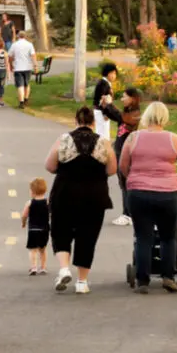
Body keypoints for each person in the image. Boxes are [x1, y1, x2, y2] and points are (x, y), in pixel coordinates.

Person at [119, 102, 177, 294]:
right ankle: (168, 276)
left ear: (146, 116)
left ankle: (142, 279)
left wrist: (134, 180)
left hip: (139, 193)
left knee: (143, 236)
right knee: (169, 237)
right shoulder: (174, 139)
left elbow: (122, 165)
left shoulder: (133, 138)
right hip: (168, 194)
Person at [44, 107, 117, 295]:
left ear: (76, 121)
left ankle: (64, 269)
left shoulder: (64, 139)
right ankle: (82, 282)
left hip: (65, 193)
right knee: (88, 236)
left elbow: (50, 166)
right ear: (94, 123)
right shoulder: (104, 143)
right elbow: (112, 170)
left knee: (61, 231)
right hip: (94, 195)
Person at [107, 88, 142, 226]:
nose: (122, 99)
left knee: (127, 183)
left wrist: (110, 104)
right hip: (119, 150)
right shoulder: (128, 112)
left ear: (132, 99)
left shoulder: (135, 114)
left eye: (124, 97)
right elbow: (116, 116)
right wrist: (105, 106)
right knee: (123, 183)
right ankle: (128, 213)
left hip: (126, 153)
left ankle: (128, 214)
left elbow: (120, 117)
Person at [20, 178, 50, 276]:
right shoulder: (47, 202)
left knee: (33, 250)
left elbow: (24, 215)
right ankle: (43, 267)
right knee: (43, 249)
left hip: (33, 229)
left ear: (32, 191)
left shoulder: (30, 203)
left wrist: (23, 223)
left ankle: (33, 267)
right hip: (44, 229)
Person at [8, 31, 37, 108]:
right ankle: (26, 99)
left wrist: (11, 65)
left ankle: (21, 103)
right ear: (25, 36)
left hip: (18, 68)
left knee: (20, 85)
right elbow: (33, 55)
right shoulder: (29, 44)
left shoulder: (14, 45)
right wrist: (35, 65)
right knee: (27, 84)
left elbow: (10, 56)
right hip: (28, 67)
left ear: (18, 36)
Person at [93, 63, 118, 141]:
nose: (114, 76)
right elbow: (102, 100)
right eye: (112, 73)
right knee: (102, 135)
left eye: (115, 73)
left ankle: (103, 151)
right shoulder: (103, 84)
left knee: (103, 133)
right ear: (106, 73)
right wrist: (105, 113)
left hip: (103, 112)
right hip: (101, 112)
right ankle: (102, 151)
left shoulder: (106, 83)